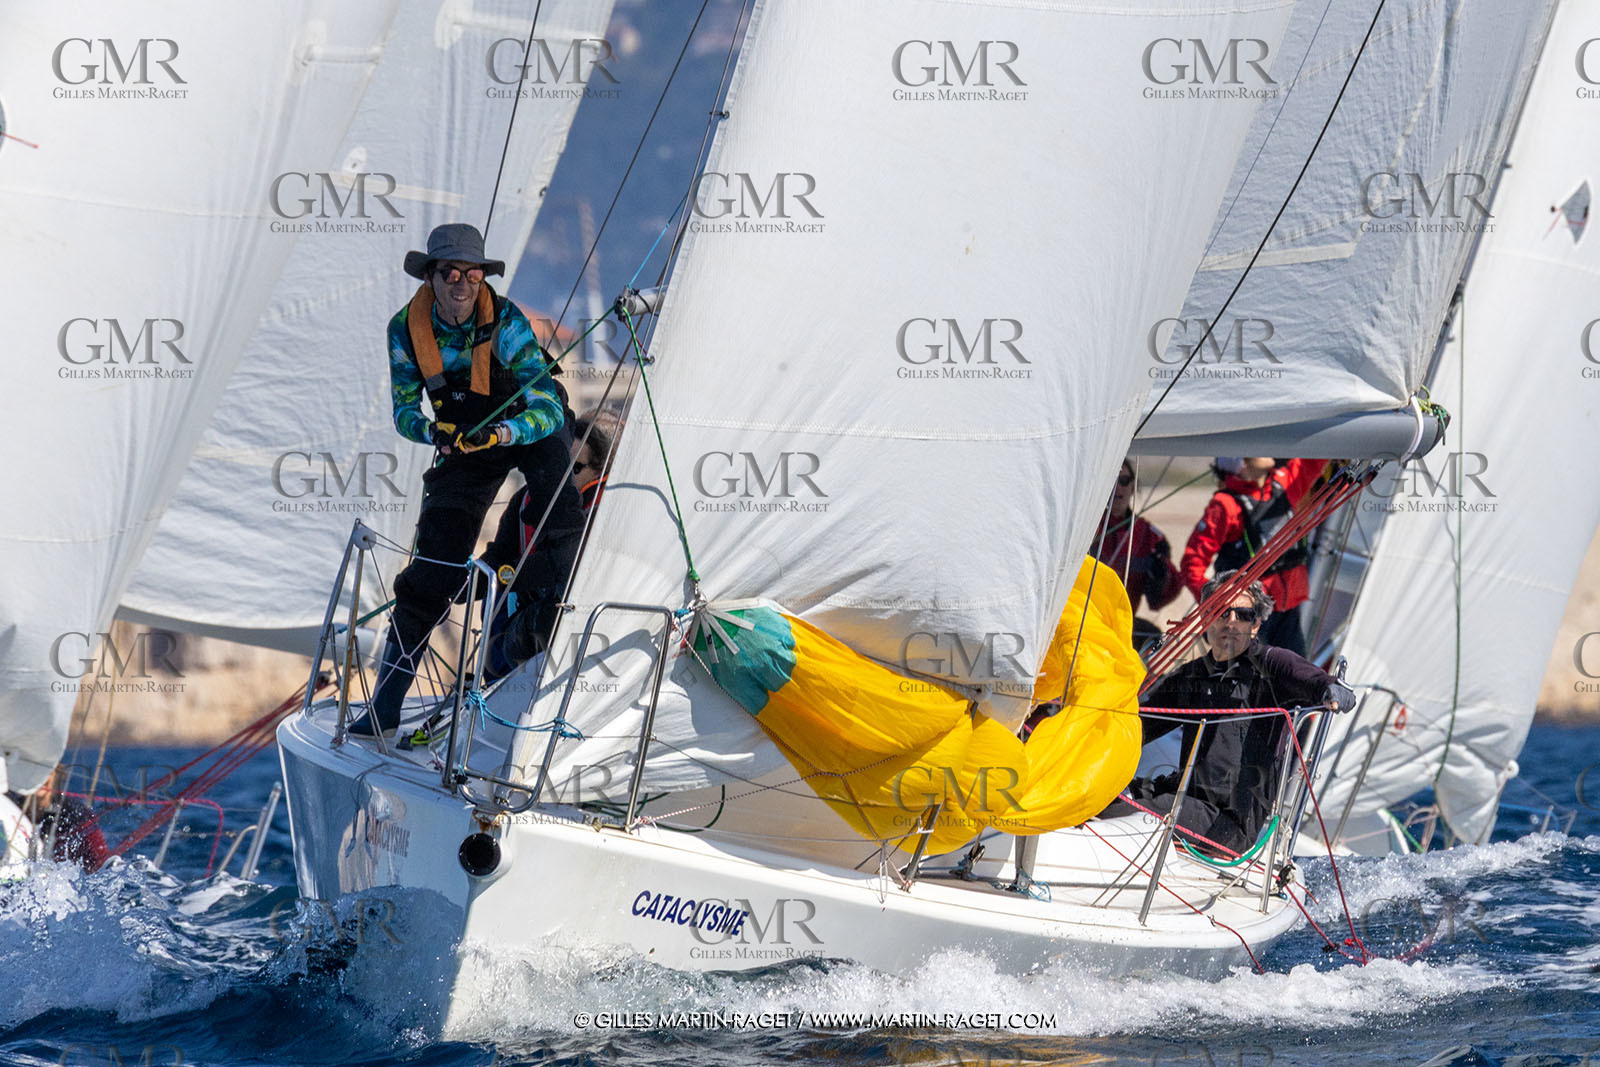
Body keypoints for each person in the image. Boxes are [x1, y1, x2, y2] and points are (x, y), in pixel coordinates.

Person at [353, 223, 585, 736]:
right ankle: (386, 706)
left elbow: (547, 405)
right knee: (434, 560)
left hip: (526, 424)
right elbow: (402, 413)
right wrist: (434, 432)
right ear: (431, 277)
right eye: (451, 273)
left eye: (473, 273)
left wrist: (502, 434)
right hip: (463, 437)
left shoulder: (506, 321)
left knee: (560, 509)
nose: (463, 283)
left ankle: (555, 629)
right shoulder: (404, 330)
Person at [1098, 573, 1355, 855]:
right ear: (1207, 618)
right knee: (1102, 796)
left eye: (1243, 615)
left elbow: (1312, 679)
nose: (1231, 622)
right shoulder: (1193, 675)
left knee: (1134, 813)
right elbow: (1139, 725)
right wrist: (1094, 731)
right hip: (1186, 797)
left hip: (1231, 824)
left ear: (1255, 625)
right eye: (1221, 612)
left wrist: (1332, 689)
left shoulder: (1271, 663)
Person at [476, 407, 619, 681]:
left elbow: (566, 562)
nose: (563, 477)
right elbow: (498, 556)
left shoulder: (608, 507)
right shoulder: (523, 502)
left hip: (583, 619)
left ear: (600, 470)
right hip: (528, 614)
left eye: (574, 469)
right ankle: (493, 688)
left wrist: (514, 575)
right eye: (560, 467)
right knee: (491, 590)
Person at [1180, 456, 1328, 655]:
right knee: (1250, 680)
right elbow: (1192, 564)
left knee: (1295, 679)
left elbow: (1314, 460)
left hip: (1287, 610)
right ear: (1242, 463)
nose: (1269, 451)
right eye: (1260, 449)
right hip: (1248, 614)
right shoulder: (1225, 505)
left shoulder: (1284, 484)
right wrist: (1216, 603)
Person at [1092, 460, 1183, 645]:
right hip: (1086, 619)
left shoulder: (1148, 536)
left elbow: (1159, 600)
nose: (1118, 486)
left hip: (1124, 623)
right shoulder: (1085, 529)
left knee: (1155, 639)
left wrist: (1160, 577)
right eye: (1113, 479)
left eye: (1124, 480)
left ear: (1133, 486)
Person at [6, 766, 109, 872]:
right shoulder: (8, 806)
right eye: (33, 769)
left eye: (46, 771)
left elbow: (101, 861)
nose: (40, 776)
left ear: (55, 775)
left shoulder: (75, 814)